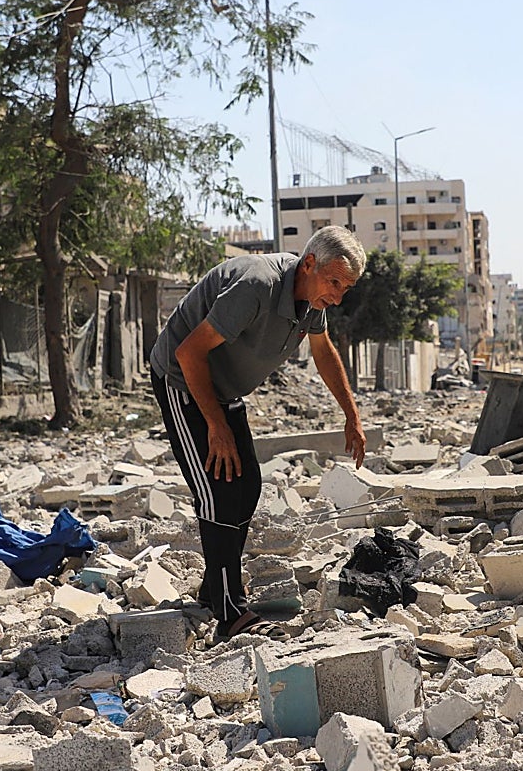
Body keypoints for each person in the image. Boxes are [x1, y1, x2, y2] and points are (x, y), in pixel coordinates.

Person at [149, 226, 367, 641]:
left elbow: (323, 352)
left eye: (347, 288)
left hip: (224, 389)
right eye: (334, 283)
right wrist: (215, 425)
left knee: (246, 486)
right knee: (217, 492)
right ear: (309, 265)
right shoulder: (256, 286)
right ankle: (230, 615)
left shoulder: (311, 297)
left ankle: (216, 587)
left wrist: (351, 416)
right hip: (183, 380)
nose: (338, 296)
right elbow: (188, 352)